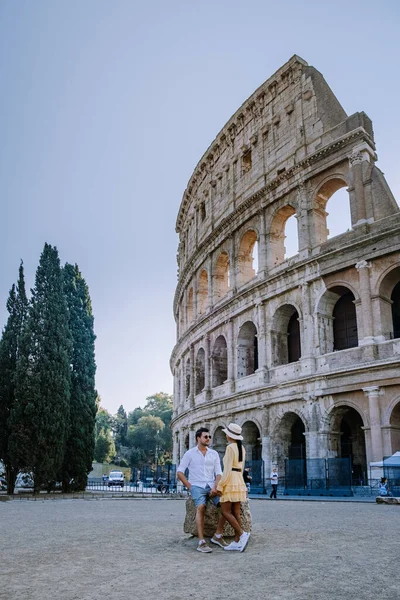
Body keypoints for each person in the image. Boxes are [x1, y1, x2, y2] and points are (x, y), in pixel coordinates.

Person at [177, 427, 227, 553]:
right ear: (198, 438)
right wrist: (190, 486)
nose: (208, 439)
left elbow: (219, 473)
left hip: (211, 485)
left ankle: (218, 535)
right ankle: (201, 541)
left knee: (226, 505)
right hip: (197, 485)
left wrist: (215, 486)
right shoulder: (190, 454)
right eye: (206, 437)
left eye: (209, 437)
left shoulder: (214, 454)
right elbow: (180, 472)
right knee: (201, 507)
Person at [217, 423, 250, 552]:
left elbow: (227, 469)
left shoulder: (230, 447)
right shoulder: (242, 448)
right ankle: (237, 541)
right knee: (236, 511)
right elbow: (240, 468)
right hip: (238, 480)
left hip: (230, 480)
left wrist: (221, 485)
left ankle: (242, 534)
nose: (225, 435)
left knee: (225, 511)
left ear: (229, 435)